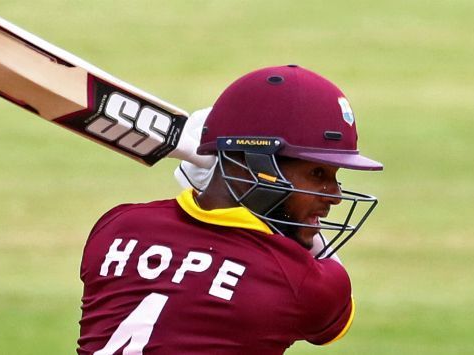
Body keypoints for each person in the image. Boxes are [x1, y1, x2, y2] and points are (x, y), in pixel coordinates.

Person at [77, 65, 383, 354]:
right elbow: (331, 315)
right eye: (318, 175)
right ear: (257, 164)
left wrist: (224, 175)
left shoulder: (117, 227)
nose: (335, 196)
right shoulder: (299, 281)